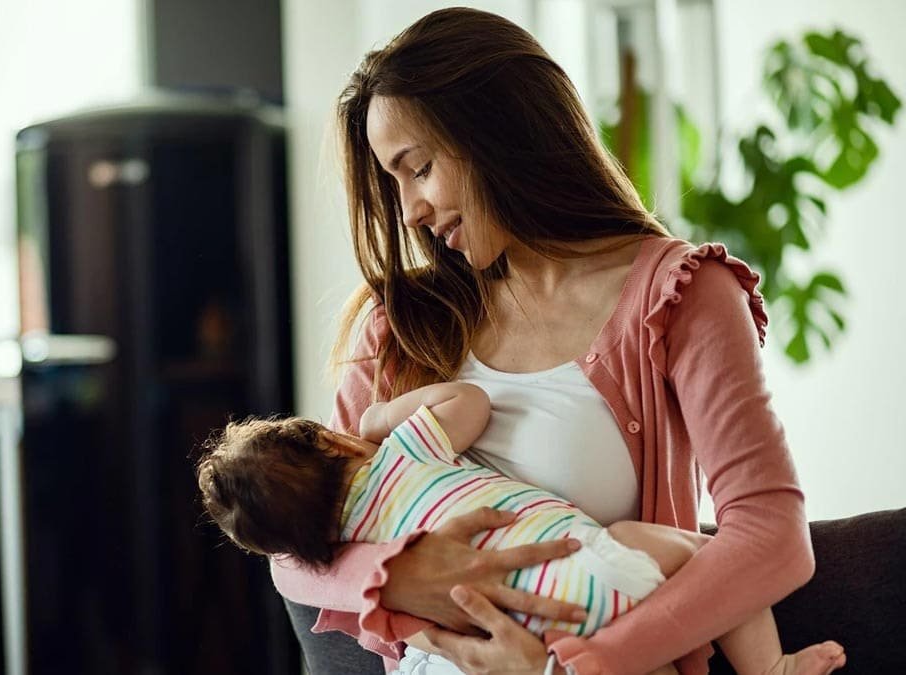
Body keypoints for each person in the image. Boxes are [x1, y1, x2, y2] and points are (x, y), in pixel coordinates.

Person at [272, 7, 821, 675]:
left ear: (496, 130)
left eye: (417, 168)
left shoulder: (680, 297)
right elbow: (293, 551)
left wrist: (569, 666)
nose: (409, 209)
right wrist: (400, 574)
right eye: (393, 183)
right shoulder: (401, 323)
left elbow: (771, 534)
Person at [197, 382, 845, 675]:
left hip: (493, 637)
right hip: (585, 568)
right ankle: (772, 668)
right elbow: (470, 404)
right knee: (700, 553)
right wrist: (384, 413)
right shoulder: (401, 451)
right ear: (335, 444)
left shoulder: (353, 555)